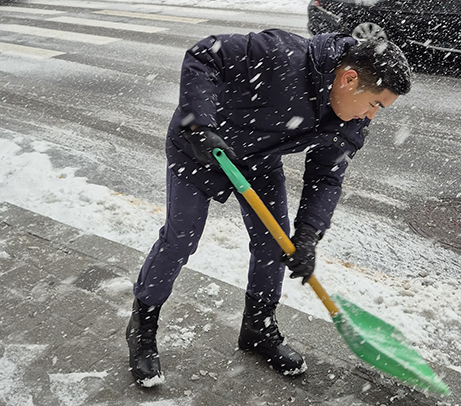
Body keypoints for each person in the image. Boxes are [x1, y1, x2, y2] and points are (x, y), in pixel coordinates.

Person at [126, 29, 412, 387]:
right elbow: (204, 54)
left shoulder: (347, 123)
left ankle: (257, 330)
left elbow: (326, 176)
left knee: (274, 245)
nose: (371, 117)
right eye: (375, 104)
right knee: (180, 239)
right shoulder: (283, 55)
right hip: (201, 147)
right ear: (349, 78)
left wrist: (308, 234)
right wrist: (200, 125)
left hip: (259, 161)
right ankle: (143, 326)